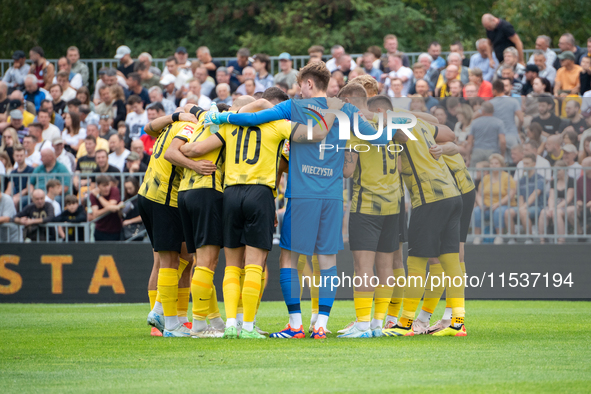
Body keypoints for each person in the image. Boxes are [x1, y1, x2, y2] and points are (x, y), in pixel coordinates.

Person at [206, 61, 410, 339]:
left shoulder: (293, 107)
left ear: (309, 84)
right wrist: (402, 125)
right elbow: (377, 137)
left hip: (302, 194)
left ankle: (295, 325)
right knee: (327, 261)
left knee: (289, 258)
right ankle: (321, 325)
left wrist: (223, 119)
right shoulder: (346, 109)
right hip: (332, 196)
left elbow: (254, 119)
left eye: (300, 84)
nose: (297, 90)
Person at [335, 88, 403, 338]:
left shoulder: (356, 131)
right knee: (386, 267)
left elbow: (347, 172)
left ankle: (362, 325)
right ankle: (377, 324)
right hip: (393, 205)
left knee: (363, 267)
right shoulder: (395, 130)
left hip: (366, 206)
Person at [473, 154, 516, 245]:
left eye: (496, 163)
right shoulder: (486, 178)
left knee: (498, 211)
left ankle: (499, 236)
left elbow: (510, 194)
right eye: (492, 163)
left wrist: (497, 204)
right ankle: (477, 237)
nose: (493, 165)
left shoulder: (507, 177)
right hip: (487, 206)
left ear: (501, 165)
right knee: (477, 211)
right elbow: (479, 195)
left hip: (504, 205)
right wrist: (481, 204)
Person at [506, 153, 546, 243]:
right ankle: (512, 238)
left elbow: (535, 194)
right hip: (524, 207)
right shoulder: (521, 180)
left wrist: (523, 207)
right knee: (508, 212)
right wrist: (521, 207)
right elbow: (520, 197)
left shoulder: (540, 178)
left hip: (538, 207)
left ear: (534, 164)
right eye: (524, 163)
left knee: (523, 212)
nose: (525, 166)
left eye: (527, 163)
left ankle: (529, 238)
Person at [539, 161, 574, 244]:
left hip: (567, 204)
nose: (556, 172)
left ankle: (561, 240)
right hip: (555, 204)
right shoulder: (553, 181)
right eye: (555, 170)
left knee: (556, 213)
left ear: (565, 170)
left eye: (558, 170)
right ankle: (542, 240)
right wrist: (551, 208)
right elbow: (551, 197)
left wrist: (555, 208)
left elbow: (569, 198)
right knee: (543, 212)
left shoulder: (571, 180)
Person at [562, 156, 591, 237]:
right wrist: (579, 203)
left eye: (584, 165)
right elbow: (578, 197)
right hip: (584, 206)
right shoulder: (580, 180)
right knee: (569, 211)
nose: (582, 167)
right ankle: (580, 232)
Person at [89, 176, 122, 241]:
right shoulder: (93, 195)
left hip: (115, 229)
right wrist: (111, 208)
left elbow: (110, 205)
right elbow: (95, 214)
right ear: (98, 186)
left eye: (108, 185)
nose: (107, 188)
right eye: (104, 186)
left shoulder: (114, 190)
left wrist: (98, 196)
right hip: (100, 230)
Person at [120, 177, 144, 241]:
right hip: (126, 231)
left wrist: (129, 221)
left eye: (130, 188)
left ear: (135, 186)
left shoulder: (140, 199)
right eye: (126, 189)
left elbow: (143, 216)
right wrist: (119, 207)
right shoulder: (126, 199)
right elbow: (121, 215)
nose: (128, 191)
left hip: (137, 231)